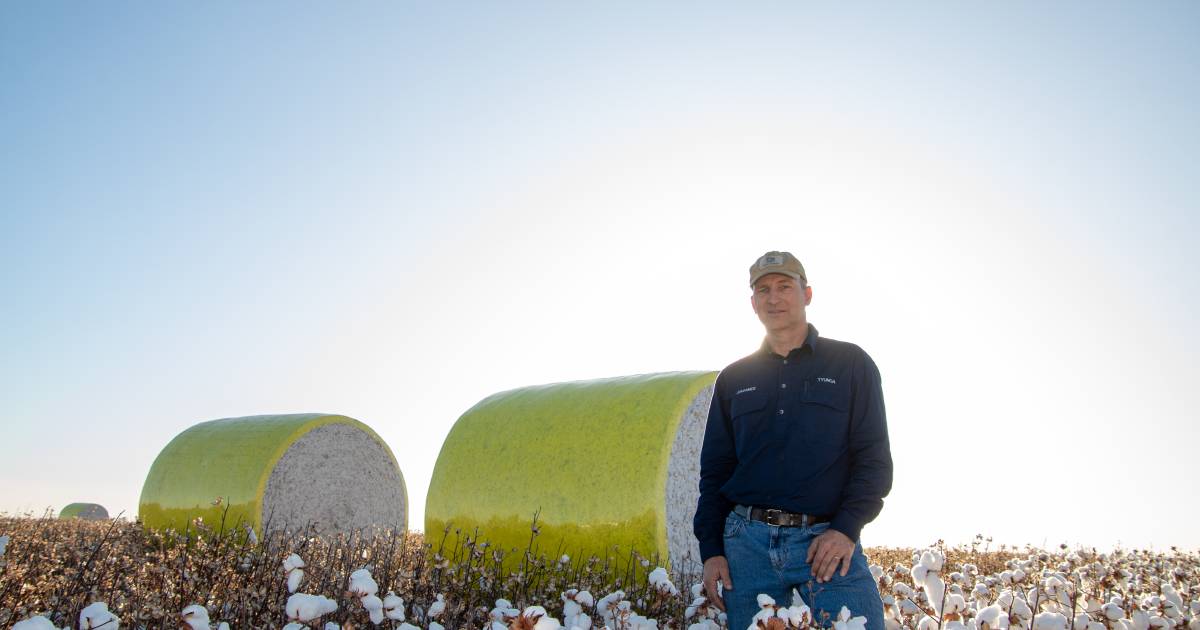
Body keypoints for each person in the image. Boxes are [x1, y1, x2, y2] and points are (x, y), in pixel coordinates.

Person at [694, 251, 893, 630]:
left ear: (808, 294)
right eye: (764, 290)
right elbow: (715, 472)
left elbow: (873, 459)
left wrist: (846, 528)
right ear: (753, 304)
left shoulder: (851, 364)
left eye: (786, 286)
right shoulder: (734, 378)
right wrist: (712, 550)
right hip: (746, 546)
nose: (774, 298)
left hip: (827, 541)